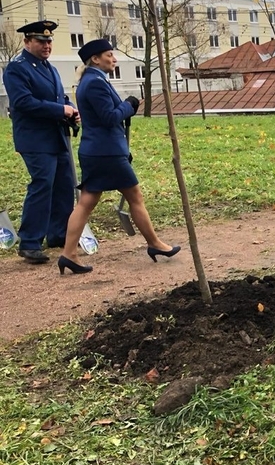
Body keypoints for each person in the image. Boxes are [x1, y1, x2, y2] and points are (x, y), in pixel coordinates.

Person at [57, 39, 180, 275]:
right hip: (106, 153)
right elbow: (109, 117)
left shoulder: (91, 80)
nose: (113, 59)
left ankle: (68, 254)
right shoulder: (94, 83)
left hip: (97, 151)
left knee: (86, 203)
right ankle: (154, 244)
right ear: (95, 58)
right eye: (109, 55)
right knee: (135, 197)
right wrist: (129, 105)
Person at [3, 20, 79, 264]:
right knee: (43, 185)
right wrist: (61, 110)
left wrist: (71, 108)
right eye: (40, 40)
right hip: (35, 139)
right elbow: (23, 102)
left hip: (56, 136)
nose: (46, 45)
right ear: (27, 42)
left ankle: (57, 235)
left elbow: (59, 96)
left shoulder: (49, 68)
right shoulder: (17, 68)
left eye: (49, 41)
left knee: (64, 185)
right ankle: (30, 242)